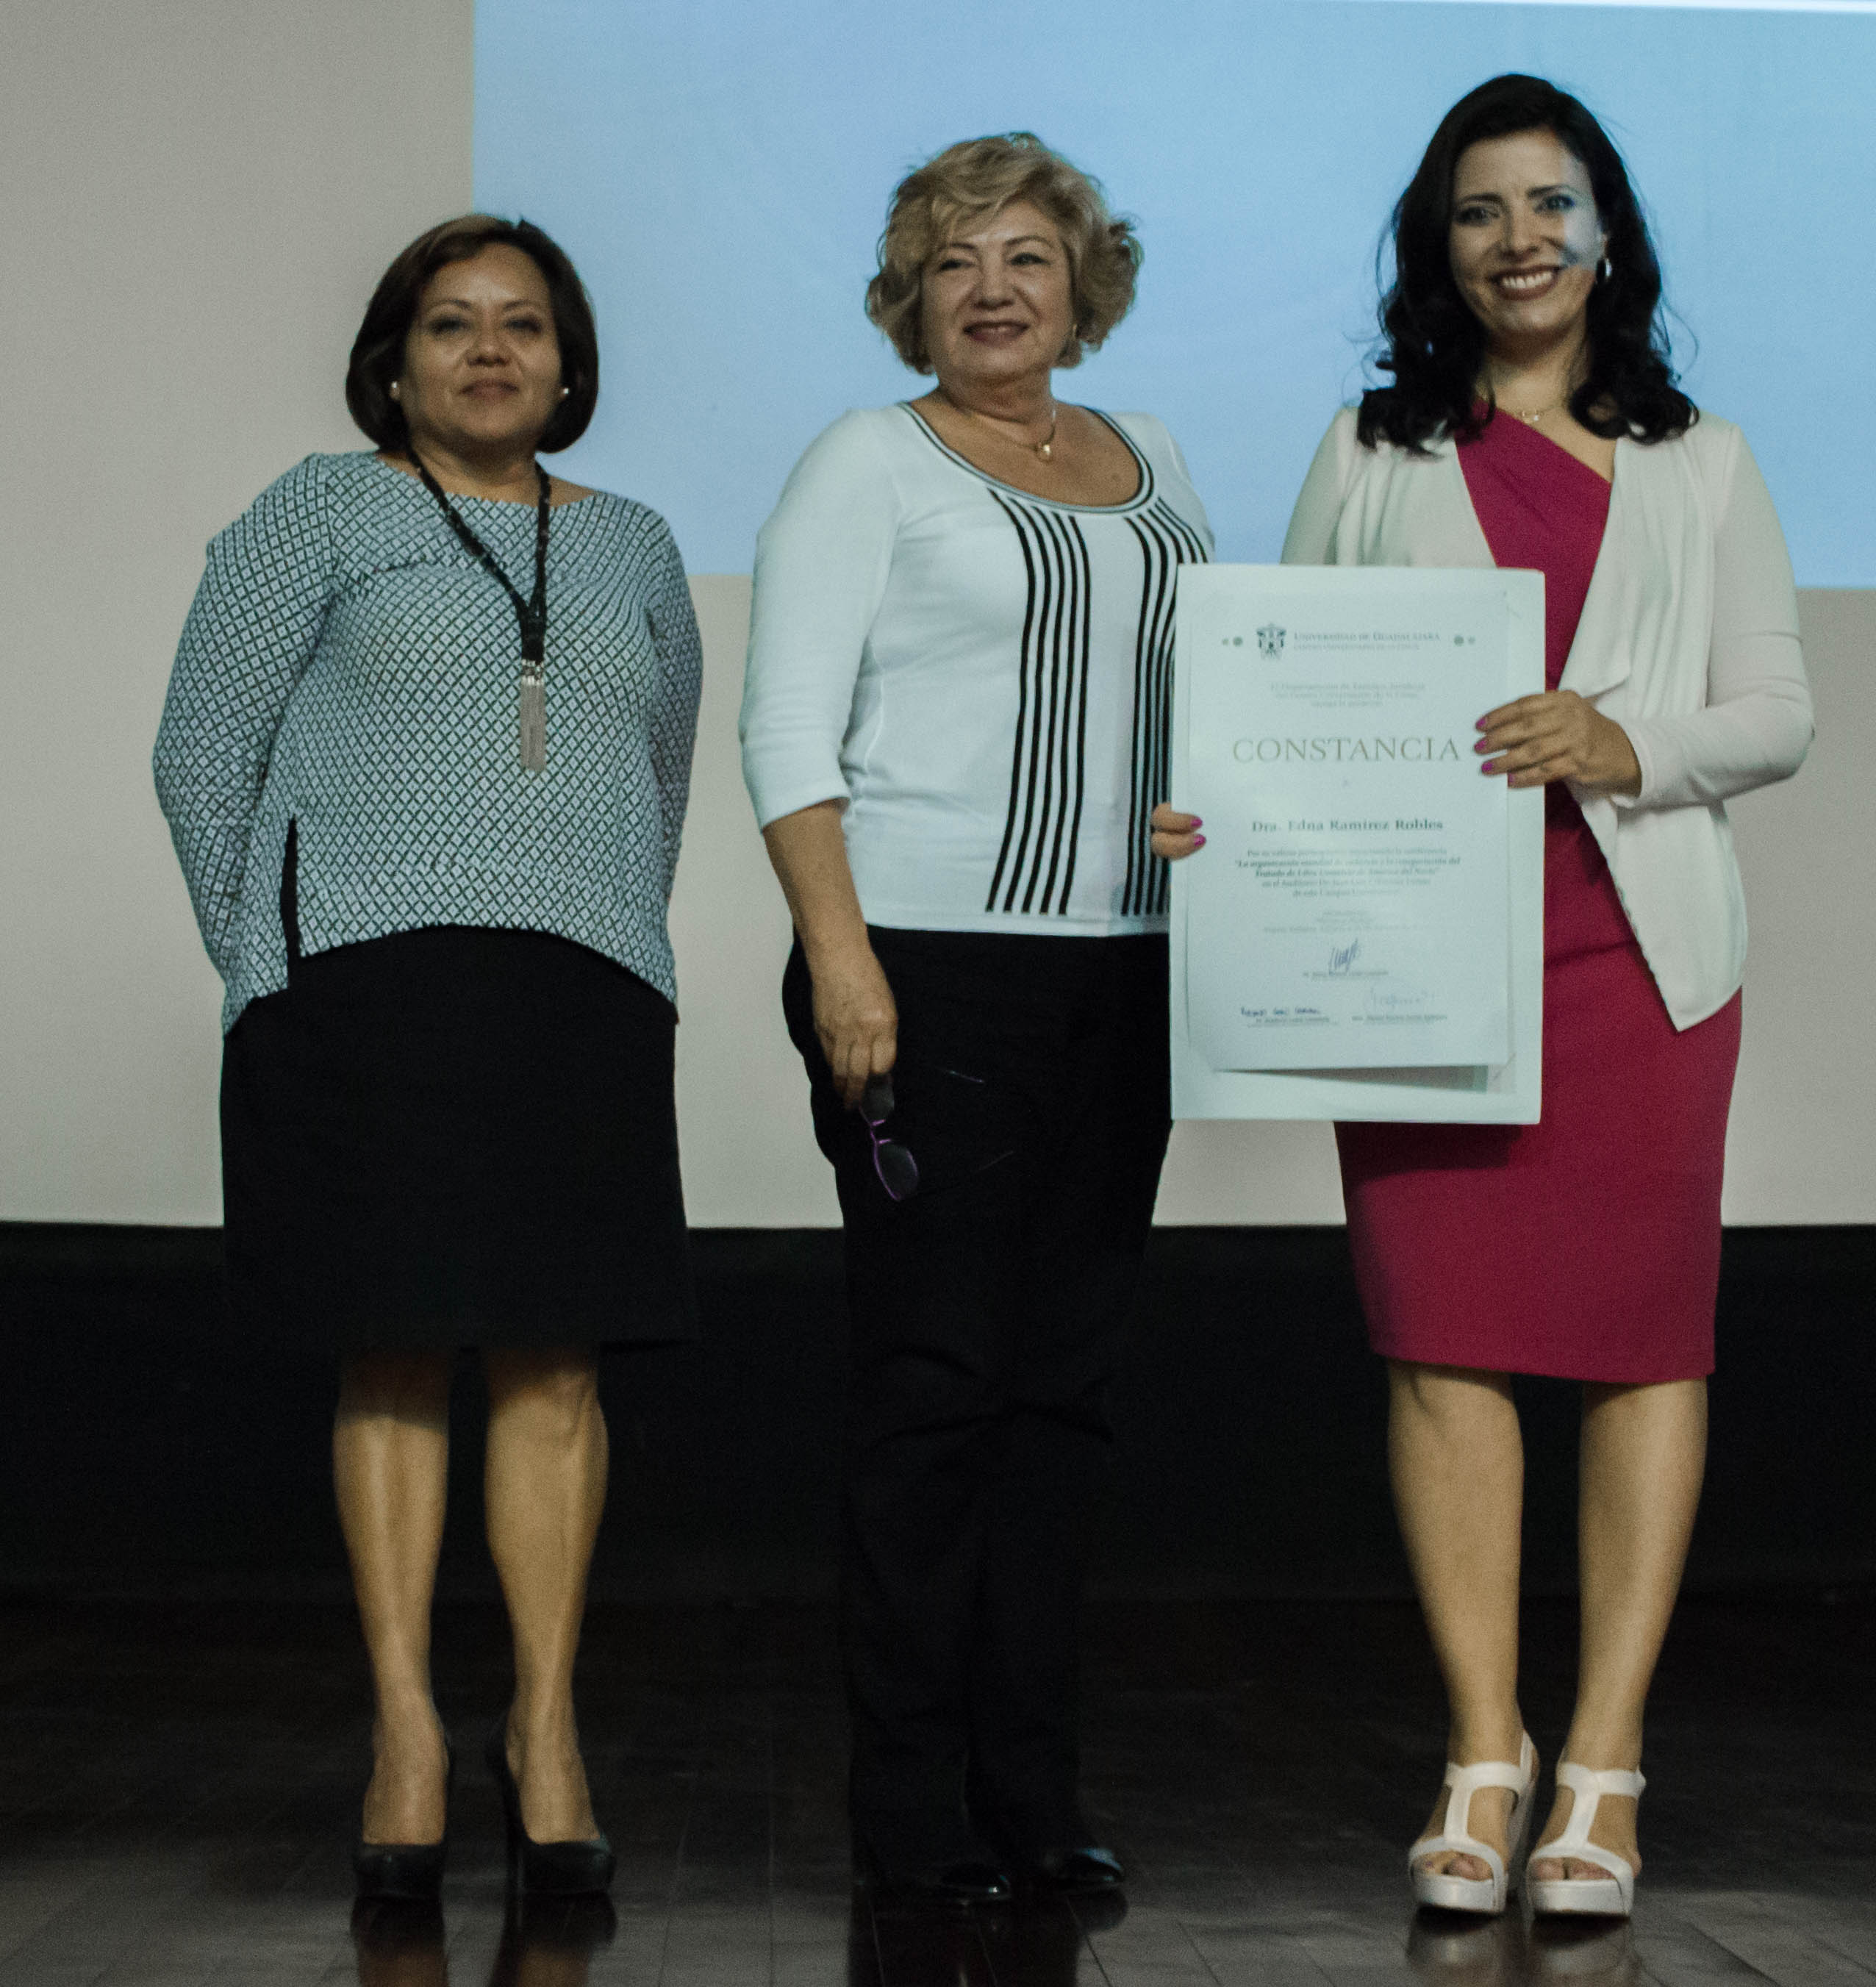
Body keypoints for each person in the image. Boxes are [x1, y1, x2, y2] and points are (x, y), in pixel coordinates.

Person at [1156, 74, 1810, 1919]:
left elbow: (1777, 712)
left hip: (1637, 958)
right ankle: (1480, 1745)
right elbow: (1275, 680)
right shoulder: (1373, 447)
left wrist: (1620, 737)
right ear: (1434, 249)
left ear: (1609, 235)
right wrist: (1220, 800)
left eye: (1552, 203)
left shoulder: (1705, 461)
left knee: (1641, 1347)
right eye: (1478, 210)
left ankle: (1600, 1767)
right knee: (1439, 1344)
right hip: (1411, 959)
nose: (1519, 238)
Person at [152, 214, 702, 1904]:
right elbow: (199, 756)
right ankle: (403, 1731)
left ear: (568, 361)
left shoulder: (638, 546)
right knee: (390, 1352)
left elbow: (657, 778)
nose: (488, 350)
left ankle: (541, 1730)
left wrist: (606, 929)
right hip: (360, 995)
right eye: (450, 324)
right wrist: (273, 965)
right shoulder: (317, 511)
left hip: (581, 992)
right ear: (391, 362)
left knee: (555, 1367)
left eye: (523, 324)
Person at [739, 133, 1211, 1905]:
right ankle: (908, 1804)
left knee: (1062, 1395)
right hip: (923, 960)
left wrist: (1197, 803)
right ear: (908, 296)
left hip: (1124, 965)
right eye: (954, 261)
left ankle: (1032, 1788)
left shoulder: (1151, 457)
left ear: (1084, 282)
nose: (994, 285)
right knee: (933, 1390)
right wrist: (837, 957)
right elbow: (788, 732)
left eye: (1027, 253)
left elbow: (1185, 697)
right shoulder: (863, 464)